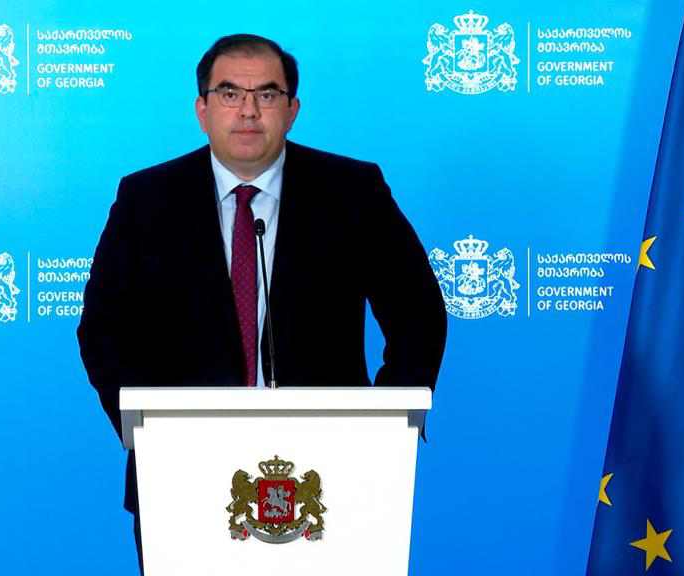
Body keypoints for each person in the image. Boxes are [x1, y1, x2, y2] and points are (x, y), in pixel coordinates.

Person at [77, 33, 446, 571]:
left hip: (337, 470)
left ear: (292, 110)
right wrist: (146, 433)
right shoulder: (147, 198)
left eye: (267, 94)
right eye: (230, 93)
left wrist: (385, 428)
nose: (248, 110)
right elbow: (103, 330)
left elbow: (419, 315)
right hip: (182, 470)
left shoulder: (352, 191)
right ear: (202, 109)